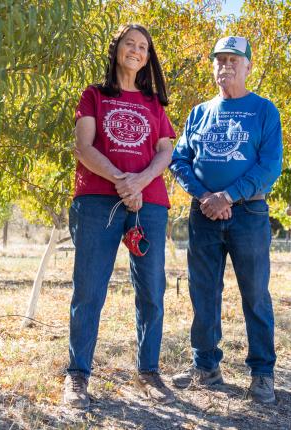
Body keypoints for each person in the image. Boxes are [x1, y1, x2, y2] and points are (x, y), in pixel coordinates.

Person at [63, 24, 176, 409]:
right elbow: (83, 146)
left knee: (151, 291)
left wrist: (140, 182)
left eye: (143, 46)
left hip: (150, 206)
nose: (137, 50)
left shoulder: (154, 103)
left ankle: (148, 371)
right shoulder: (94, 95)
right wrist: (121, 181)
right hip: (97, 202)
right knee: (89, 290)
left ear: (148, 57)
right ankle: (77, 376)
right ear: (116, 50)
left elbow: (166, 151)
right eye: (130, 43)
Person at [169, 36, 283, 404]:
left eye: (234, 60)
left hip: (249, 213)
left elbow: (269, 166)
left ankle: (262, 374)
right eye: (220, 60)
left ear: (249, 67)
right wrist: (206, 197)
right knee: (203, 294)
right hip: (203, 214)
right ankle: (205, 366)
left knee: (255, 294)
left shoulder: (265, 111)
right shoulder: (199, 112)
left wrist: (229, 195)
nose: (226, 66)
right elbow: (179, 160)